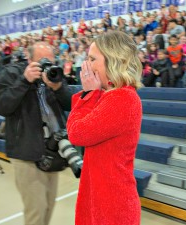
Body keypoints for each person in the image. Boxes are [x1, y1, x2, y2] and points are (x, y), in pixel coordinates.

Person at [67, 31, 142, 225]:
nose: (87, 65)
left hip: (112, 207)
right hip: (103, 199)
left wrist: (88, 93)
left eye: (92, 59)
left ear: (112, 60)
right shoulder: (110, 96)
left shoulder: (121, 98)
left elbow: (77, 133)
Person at [0, 42, 72, 225]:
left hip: (53, 150)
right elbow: (3, 107)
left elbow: (71, 104)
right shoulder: (11, 73)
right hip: (27, 151)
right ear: (29, 59)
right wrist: (24, 81)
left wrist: (57, 87)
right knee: (35, 211)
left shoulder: (54, 74)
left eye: (51, 60)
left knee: (48, 207)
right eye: (42, 61)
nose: (47, 64)